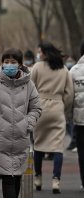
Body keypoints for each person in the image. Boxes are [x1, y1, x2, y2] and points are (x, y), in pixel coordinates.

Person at [0, 48, 42, 198]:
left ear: (20, 64)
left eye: (13, 62)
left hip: (21, 139)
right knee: (7, 178)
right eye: (6, 62)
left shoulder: (29, 85)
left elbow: (36, 107)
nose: (9, 65)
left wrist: (27, 124)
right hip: (1, 140)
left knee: (17, 177)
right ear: (2, 64)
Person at [31, 41, 74, 194]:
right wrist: (64, 109)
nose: (38, 54)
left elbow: (30, 88)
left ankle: (38, 177)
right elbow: (69, 94)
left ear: (44, 53)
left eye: (39, 51)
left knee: (38, 145)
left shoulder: (37, 67)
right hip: (57, 107)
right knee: (57, 148)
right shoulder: (63, 69)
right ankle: (56, 180)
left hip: (40, 108)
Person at [69, 41, 84, 190]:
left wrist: (68, 112)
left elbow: (69, 96)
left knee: (82, 152)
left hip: (80, 120)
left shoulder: (74, 70)